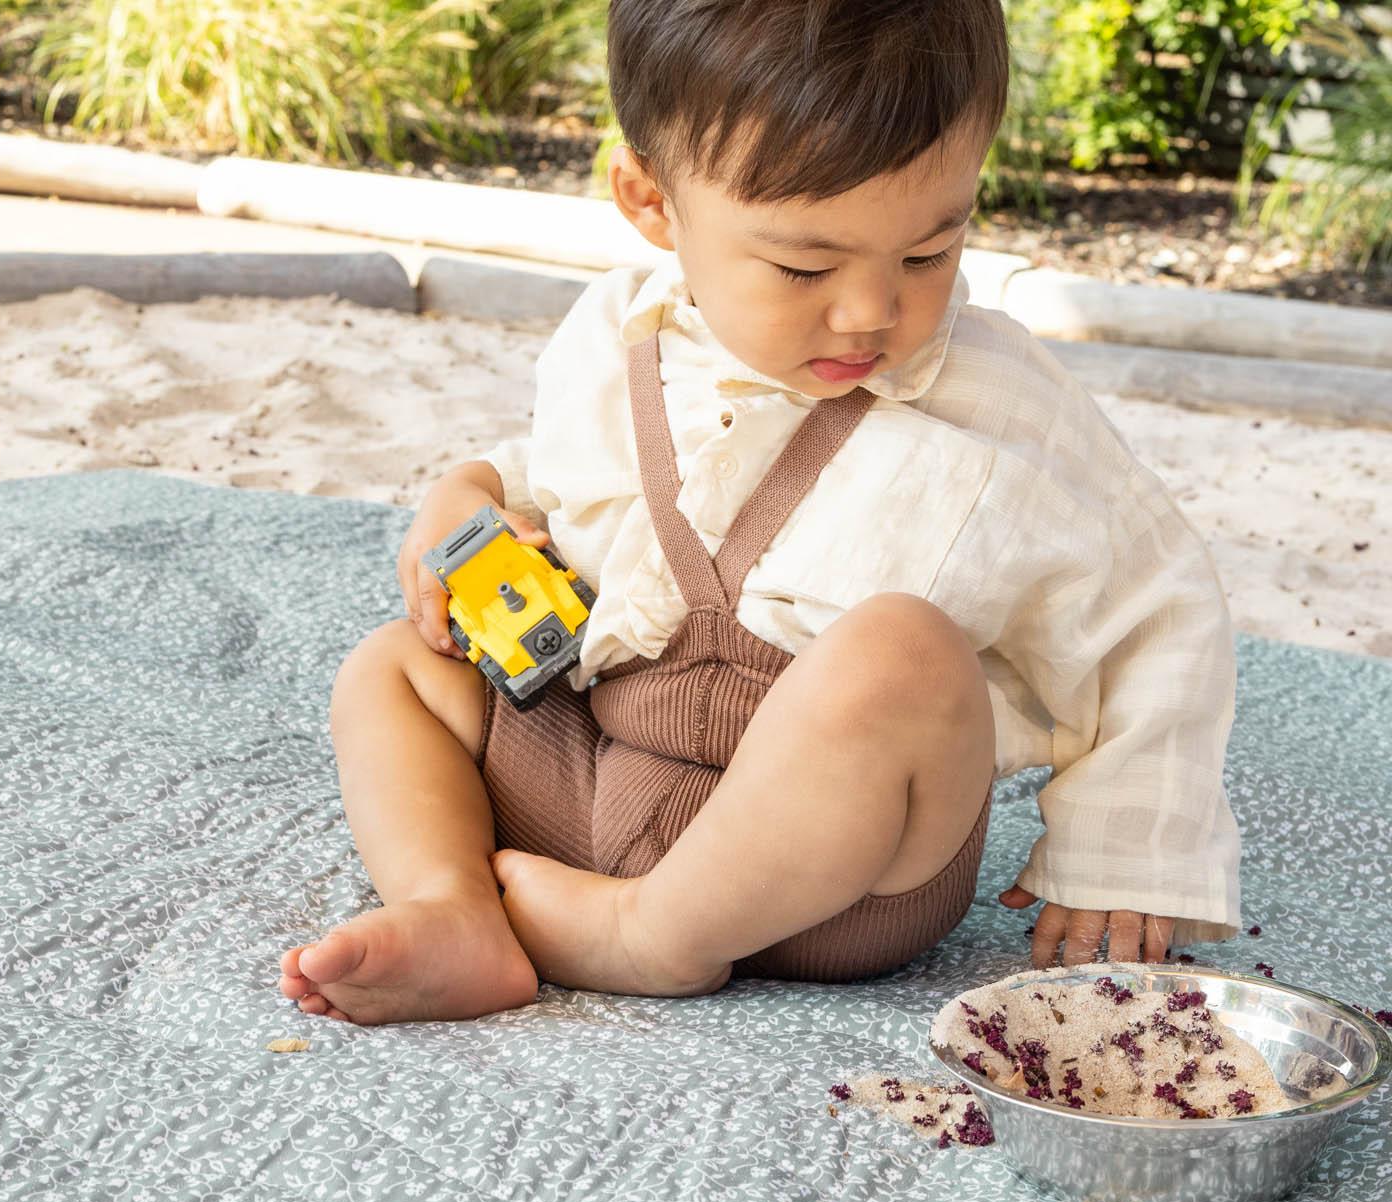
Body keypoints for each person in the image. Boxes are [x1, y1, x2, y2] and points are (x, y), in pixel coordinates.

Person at [280, 0, 1242, 1026]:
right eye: (805, 268)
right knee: (394, 667)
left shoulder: (1004, 407)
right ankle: (454, 907)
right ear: (652, 202)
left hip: (842, 874)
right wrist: (469, 495)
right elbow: (571, 476)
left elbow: (1154, 607)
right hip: (597, 780)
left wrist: (1125, 853)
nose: (870, 312)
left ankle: (651, 939)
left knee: (903, 650)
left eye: (928, 253)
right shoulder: (617, 337)